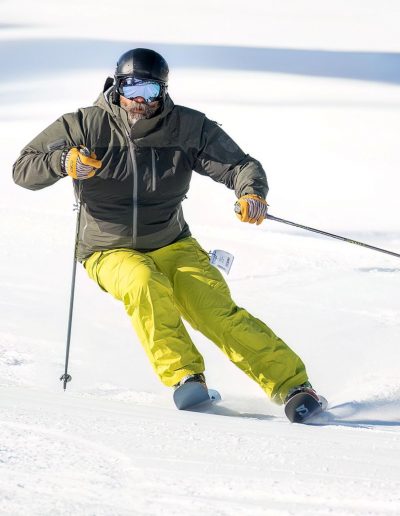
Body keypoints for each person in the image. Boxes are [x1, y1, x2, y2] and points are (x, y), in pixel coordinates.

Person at [13, 48, 320, 411]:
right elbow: (23, 169)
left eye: (151, 90)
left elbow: (240, 165)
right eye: (132, 88)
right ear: (118, 86)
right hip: (107, 248)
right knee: (142, 282)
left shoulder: (187, 127)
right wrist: (63, 161)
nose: (140, 100)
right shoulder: (84, 125)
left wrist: (250, 193)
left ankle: (293, 385)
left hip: (172, 242)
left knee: (214, 309)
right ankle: (185, 376)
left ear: (164, 91)